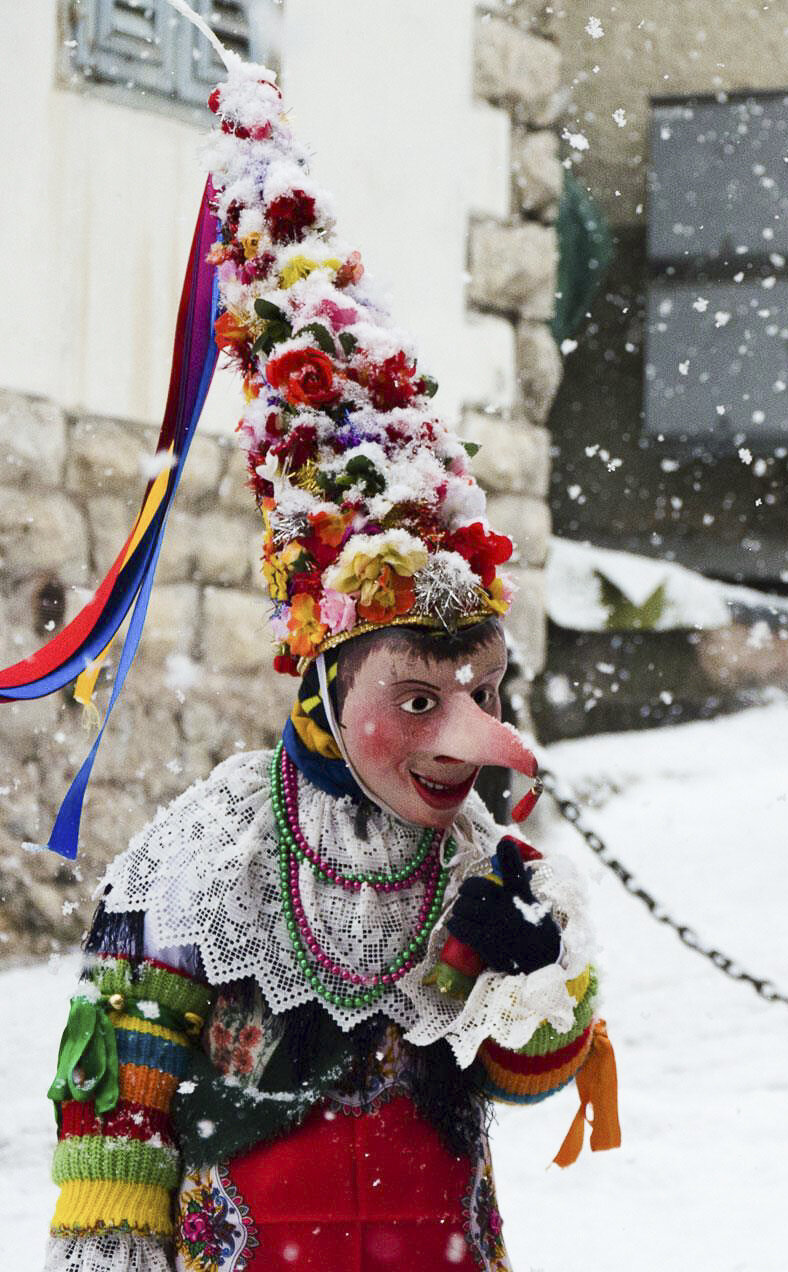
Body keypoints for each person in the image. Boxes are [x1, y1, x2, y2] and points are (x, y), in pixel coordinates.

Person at [42, 60, 615, 1272]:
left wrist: (528, 976)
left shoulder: (483, 860)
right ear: (322, 689)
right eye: (418, 698)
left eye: (487, 691)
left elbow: (527, 1072)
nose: (473, 733)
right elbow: (114, 1139)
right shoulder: (202, 860)